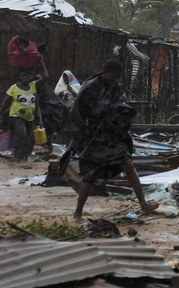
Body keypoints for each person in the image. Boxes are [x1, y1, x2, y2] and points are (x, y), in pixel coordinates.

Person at [69, 59, 158, 222]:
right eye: (113, 76)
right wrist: (83, 136)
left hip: (112, 134)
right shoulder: (90, 88)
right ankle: (78, 213)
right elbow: (77, 114)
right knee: (90, 174)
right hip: (94, 137)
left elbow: (121, 107)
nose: (115, 80)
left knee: (128, 165)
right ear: (105, 73)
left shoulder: (116, 88)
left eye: (118, 77)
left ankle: (143, 204)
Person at [0, 60, 49, 162]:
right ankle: (21, 159)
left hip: (29, 118)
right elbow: (5, 103)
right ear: (19, 77)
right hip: (16, 116)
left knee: (30, 139)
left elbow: (46, 77)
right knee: (22, 135)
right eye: (23, 76)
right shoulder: (14, 88)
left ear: (30, 77)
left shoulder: (33, 86)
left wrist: (41, 62)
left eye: (27, 76)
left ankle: (23, 158)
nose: (25, 78)